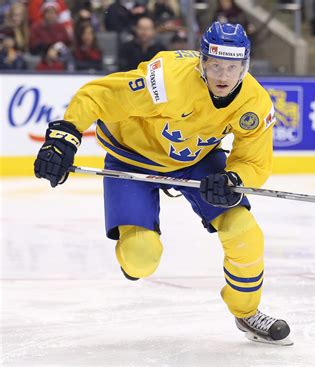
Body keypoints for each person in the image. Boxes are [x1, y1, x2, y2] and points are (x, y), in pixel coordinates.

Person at [33, 22, 292, 346]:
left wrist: (233, 179)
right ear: (202, 62)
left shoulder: (254, 103)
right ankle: (132, 253)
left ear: (245, 66)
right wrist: (64, 136)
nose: (223, 76)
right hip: (132, 157)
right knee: (141, 257)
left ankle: (247, 311)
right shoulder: (166, 80)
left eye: (232, 67)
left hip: (196, 161)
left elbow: (254, 160)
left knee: (244, 231)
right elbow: (99, 95)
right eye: (215, 66)